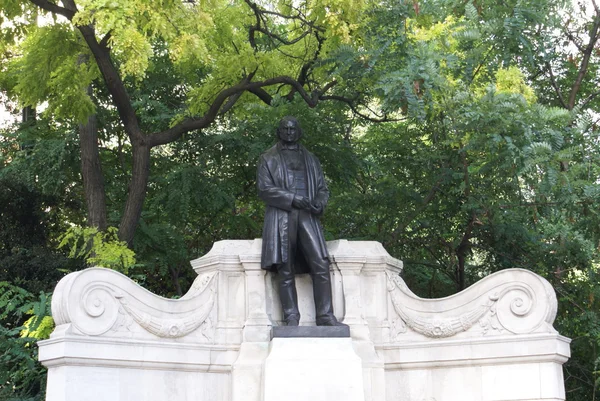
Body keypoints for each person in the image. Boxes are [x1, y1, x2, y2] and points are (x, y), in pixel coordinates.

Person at [257, 116, 347, 327]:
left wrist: (319, 202)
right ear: (279, 132)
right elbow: (265, 190)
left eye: (293, 129)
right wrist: (293, 198)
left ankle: (325, 315)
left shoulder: (311, 159)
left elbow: (323, 188)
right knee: (284, 266)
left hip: (307, 215)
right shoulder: (268, 158)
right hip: (282, 216)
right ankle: (291, 317)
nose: (289, 132)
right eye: (285, 129)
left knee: (320, 261)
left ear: (299, 132)